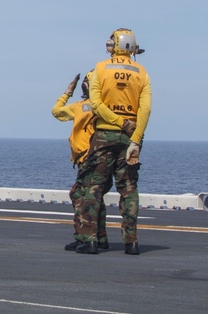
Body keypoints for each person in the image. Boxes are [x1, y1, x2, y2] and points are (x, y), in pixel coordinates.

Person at [75, 28, 152, 256]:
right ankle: (132, 241)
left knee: (94, 187)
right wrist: (135, 137)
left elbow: (96, 105)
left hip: (104, 135)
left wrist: (118, 122)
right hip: (130, 137)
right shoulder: (142, 73)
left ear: (115, 45)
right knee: (128, 189)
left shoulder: (100, 69)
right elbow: (145, 109)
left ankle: (90, 240)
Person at [52, 69, 111, 251]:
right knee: (97, 196)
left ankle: (85, 237)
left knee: (80, 196)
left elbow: (56, 112)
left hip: (87, 158)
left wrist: (68, 92)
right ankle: (100, 238)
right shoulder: (107, 108)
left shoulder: (79, 107)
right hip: (106, 157)